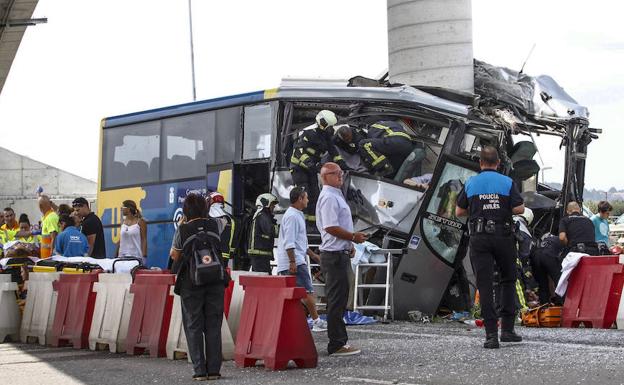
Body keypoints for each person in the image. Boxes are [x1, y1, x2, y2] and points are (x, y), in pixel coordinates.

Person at [455, 146, 525, 349]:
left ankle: (491, 336)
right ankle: (508, 330)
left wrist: (479, 207)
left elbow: (459, 211)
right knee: (508, 280)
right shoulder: (507, 182)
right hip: (503, 237)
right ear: (498, 163)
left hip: (479, 237)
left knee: (484, 284)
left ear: (480, 163)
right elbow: (518, 208)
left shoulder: (471, 182)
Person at [169, 193, 224, 381]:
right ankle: (214, 370)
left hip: (191, 283)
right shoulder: (216, 225)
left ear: (186, 211)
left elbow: (174, 256)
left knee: (193, 325)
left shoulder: (182, 229)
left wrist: (185, 224)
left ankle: (200, 370)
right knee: (213, 325)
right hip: (216, 280)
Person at [316, 162, 368, 356]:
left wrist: (350, 244)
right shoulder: (329, 197)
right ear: (325, 177)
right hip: (334, 256)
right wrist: (352, 237)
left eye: (341, 173)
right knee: (337, 300)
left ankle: (339, 341)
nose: (340, 176)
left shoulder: (335, 195)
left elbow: (338, 225)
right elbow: (330, 227)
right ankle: (336, 343)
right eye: (335, 173)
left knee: (339, 299)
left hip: (339, 252)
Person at [276, 186, 327, 332]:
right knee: (308, 292)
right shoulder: (292, 216)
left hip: (294, 260)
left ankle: (292, 322)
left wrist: (313, 255)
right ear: (300, 199)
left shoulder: (295, 214)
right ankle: (316, 321)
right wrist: (293, 261)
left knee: (295, 295)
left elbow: (300, 242)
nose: (308, 200)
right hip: (295, 262)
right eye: (306, 197)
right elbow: (290, 242)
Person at [290, 110, 346, 225]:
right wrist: (311, 163)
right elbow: (299, 152)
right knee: (303, 194)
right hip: (299, 168)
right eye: (328, 126)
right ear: (321, 122)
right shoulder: (308, 133)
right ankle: (301, 223)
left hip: (311, 169)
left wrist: (341, 163)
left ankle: (312, 224)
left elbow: (332, 150)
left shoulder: (325, 134)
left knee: (314, 195)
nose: (330, 129)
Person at [247, 193, 278, 274]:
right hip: (260, 255)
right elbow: (271, 231)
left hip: (260, 255)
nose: (273, 207)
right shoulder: (263, 216)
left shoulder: (261, 215)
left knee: (260, 280)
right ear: (266, 204)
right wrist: (283, 228)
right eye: (272, 205)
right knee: (265, 280)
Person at [530, 233, 564, 305]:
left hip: (536, 256)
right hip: (548, 255)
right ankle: (560, 303)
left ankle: (544, 305)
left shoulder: (545, 241)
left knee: (542, 284)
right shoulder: (563, 240)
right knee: (559, 281)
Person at [116, 200, 147, 264]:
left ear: (128, 209)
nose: (121, 209)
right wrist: (115, 255)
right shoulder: (123, 222)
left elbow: (144, 239)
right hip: (122, 257)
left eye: (122, 208)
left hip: (136, 257)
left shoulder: (141, 222)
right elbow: (120, 240)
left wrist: (144, 256)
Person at [207, 192, 235, 265]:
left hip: (211, 253)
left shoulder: (207, 216)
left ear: (212, 201)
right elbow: (232, 238)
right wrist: (231, 252)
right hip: (225, 254)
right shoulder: (230, 218)